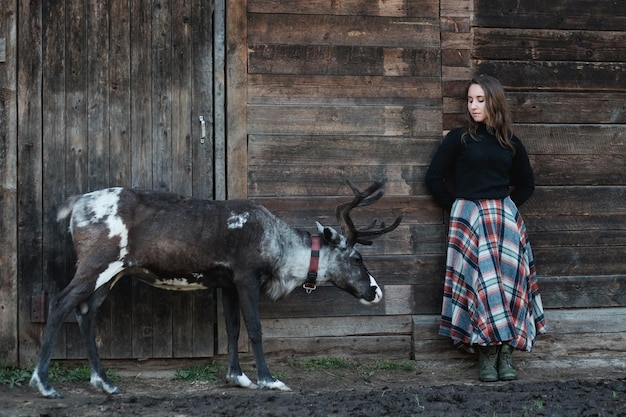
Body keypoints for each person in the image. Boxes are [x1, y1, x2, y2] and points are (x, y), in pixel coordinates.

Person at [424, 74, 547, 382]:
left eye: (480, 100)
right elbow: (434, 178)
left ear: (494, 102)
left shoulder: (510, 142)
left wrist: (505, 208)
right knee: (478, 284)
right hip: (469, 221)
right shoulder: (459, 138)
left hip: (504, 222)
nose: (474, 106)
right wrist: (458, 208)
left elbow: (527, 184)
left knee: (508, 285)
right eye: (470, 100)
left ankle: (505, 353)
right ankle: (484, 354)